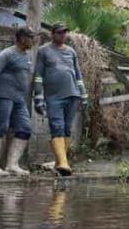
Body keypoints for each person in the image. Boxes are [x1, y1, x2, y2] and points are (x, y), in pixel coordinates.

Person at [33, 23, 88, 176]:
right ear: (52, 34)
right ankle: (64, 163)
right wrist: (38, 97)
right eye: (59, 33)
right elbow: (38, 75)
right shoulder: (44, 51)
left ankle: (60, 163)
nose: (62, 35)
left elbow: (78, 75)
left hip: (72, 95)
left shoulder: (71, 52)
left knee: (66, 129)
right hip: (53, 96)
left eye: (64, 33)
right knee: (57, 126)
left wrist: (83, 95)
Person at [0, 27, 35, 176]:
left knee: (24, 129)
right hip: (4, 97)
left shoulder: (27, 56)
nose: (33, 41)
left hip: (19, 99)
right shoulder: (7, 54)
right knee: (0, 128)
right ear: (22, 38)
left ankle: (12, 165)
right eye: (31, 37)